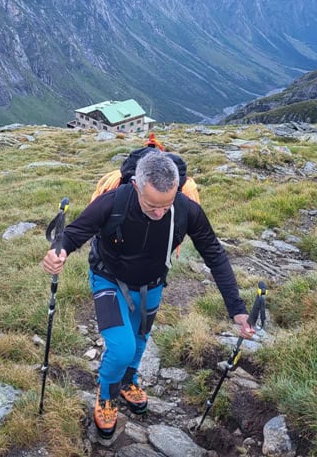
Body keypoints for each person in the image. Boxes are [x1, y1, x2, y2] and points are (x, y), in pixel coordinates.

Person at [41, 151, 256, 439]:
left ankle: (128, 380)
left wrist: (237, 309)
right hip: (109, 279)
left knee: (140, 339)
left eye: (166, 206)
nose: (160, 213)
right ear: (136, 186)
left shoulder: (185, 208)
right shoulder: (114, 202)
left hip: (152, 284)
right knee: (121, 348)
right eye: (152, 205)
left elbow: (215, 255)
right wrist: (60, 252)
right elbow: (75, 232)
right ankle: (107, 394)